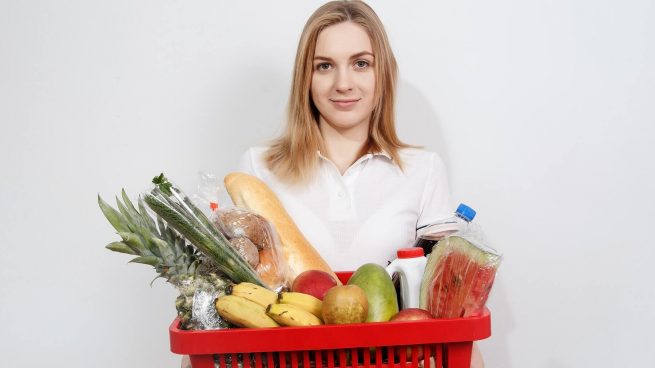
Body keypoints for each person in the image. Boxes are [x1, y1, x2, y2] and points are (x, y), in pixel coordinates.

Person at [184, 1, 483, 367]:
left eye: (361, 63)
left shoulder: (424, 169)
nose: (343, 83)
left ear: (382, 73)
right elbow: (237, 300)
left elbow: (449, 310)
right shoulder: (257, 168)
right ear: (305, 79)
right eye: (324, 66)